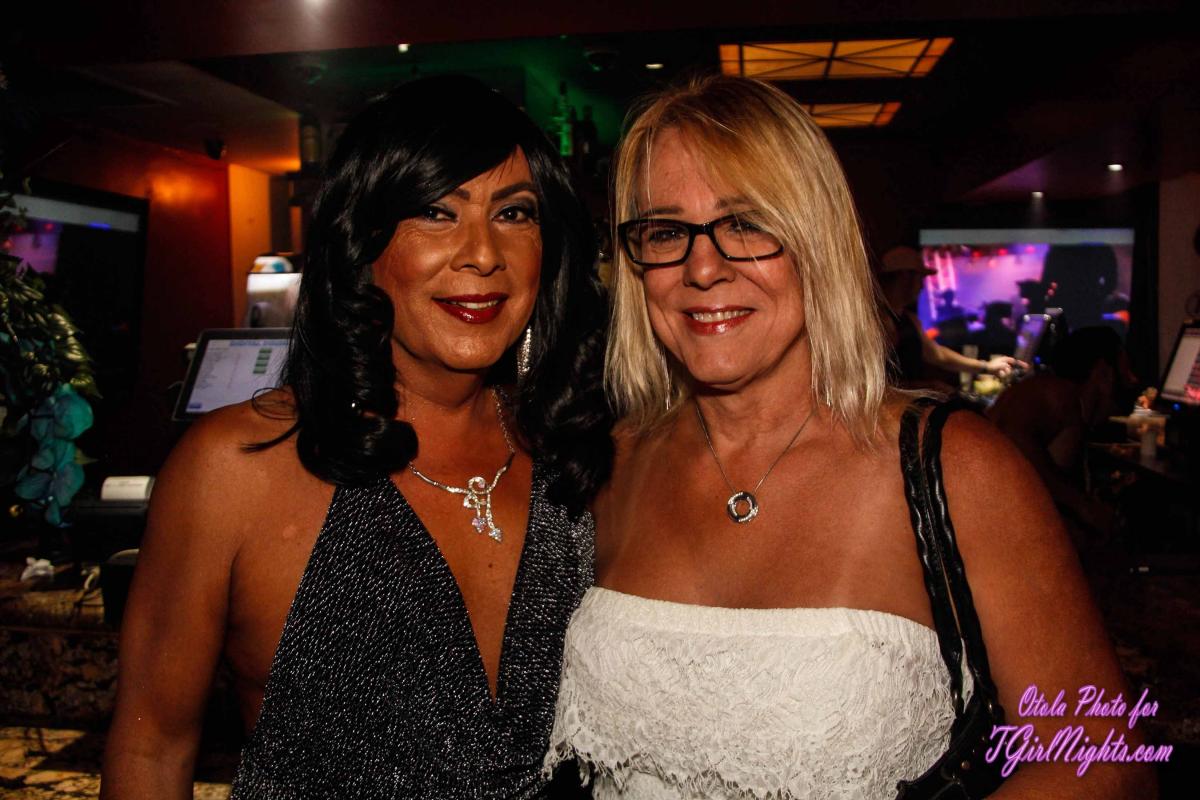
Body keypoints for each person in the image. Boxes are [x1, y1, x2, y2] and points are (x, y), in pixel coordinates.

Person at [545, 75, 1149, 799]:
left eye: (748, 223)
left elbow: (1103, 760)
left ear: (819, 240)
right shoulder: (611, 462)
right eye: (667, 232)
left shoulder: (954, 466)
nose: (703, 268)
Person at [101, 76, 611, 799]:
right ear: (361, 242)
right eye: (435, 212)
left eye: (513, 213)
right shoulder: (238, 469)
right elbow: (150, 750)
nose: (482, 253)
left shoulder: (577, 454)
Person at [988, 327, 1132, 540]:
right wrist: (1084, 507)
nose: (1132, 380)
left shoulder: (1055, 395)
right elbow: (1013, 442)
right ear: (1104, 372)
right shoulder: (1058, 395)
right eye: (1126, 369)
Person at [878, 245, 1022, 388]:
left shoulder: (908, 318)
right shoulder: (879, 321)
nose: (922, 287)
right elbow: (876, 385)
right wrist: (925, 387)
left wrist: (987, 367)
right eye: (920, 279)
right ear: (905, 276)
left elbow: (938, 355)